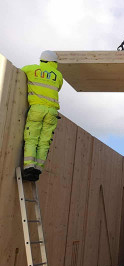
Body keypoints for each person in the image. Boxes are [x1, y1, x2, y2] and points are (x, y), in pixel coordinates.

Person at [21, 50, 63, 181]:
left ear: (41, 60)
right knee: (44, 142)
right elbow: (58, 88)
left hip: (37, 109)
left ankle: (29, 168)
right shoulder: (58, 75)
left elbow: (19, 73)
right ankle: (37, 170)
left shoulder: (31, 69)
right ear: (54, 62)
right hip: (51, 112)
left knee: (31, 138)